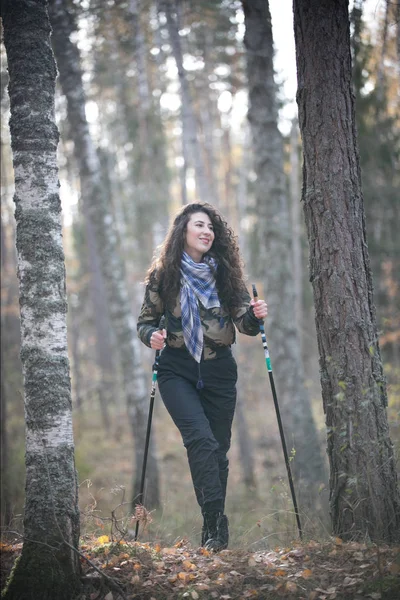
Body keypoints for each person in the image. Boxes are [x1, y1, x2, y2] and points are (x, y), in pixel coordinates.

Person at [137, 202, 268, 551]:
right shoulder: (163, 276)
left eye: (211, 227)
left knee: (218, 451)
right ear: (183, 230)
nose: (207, 231)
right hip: (176, 369)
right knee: (202, 442)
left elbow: (246, 325)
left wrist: (256, 316)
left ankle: (212, 532)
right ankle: (215, 525)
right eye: (199, 225)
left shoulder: (226, 275)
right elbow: (145, 322)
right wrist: (152, 336)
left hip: (219, 370)